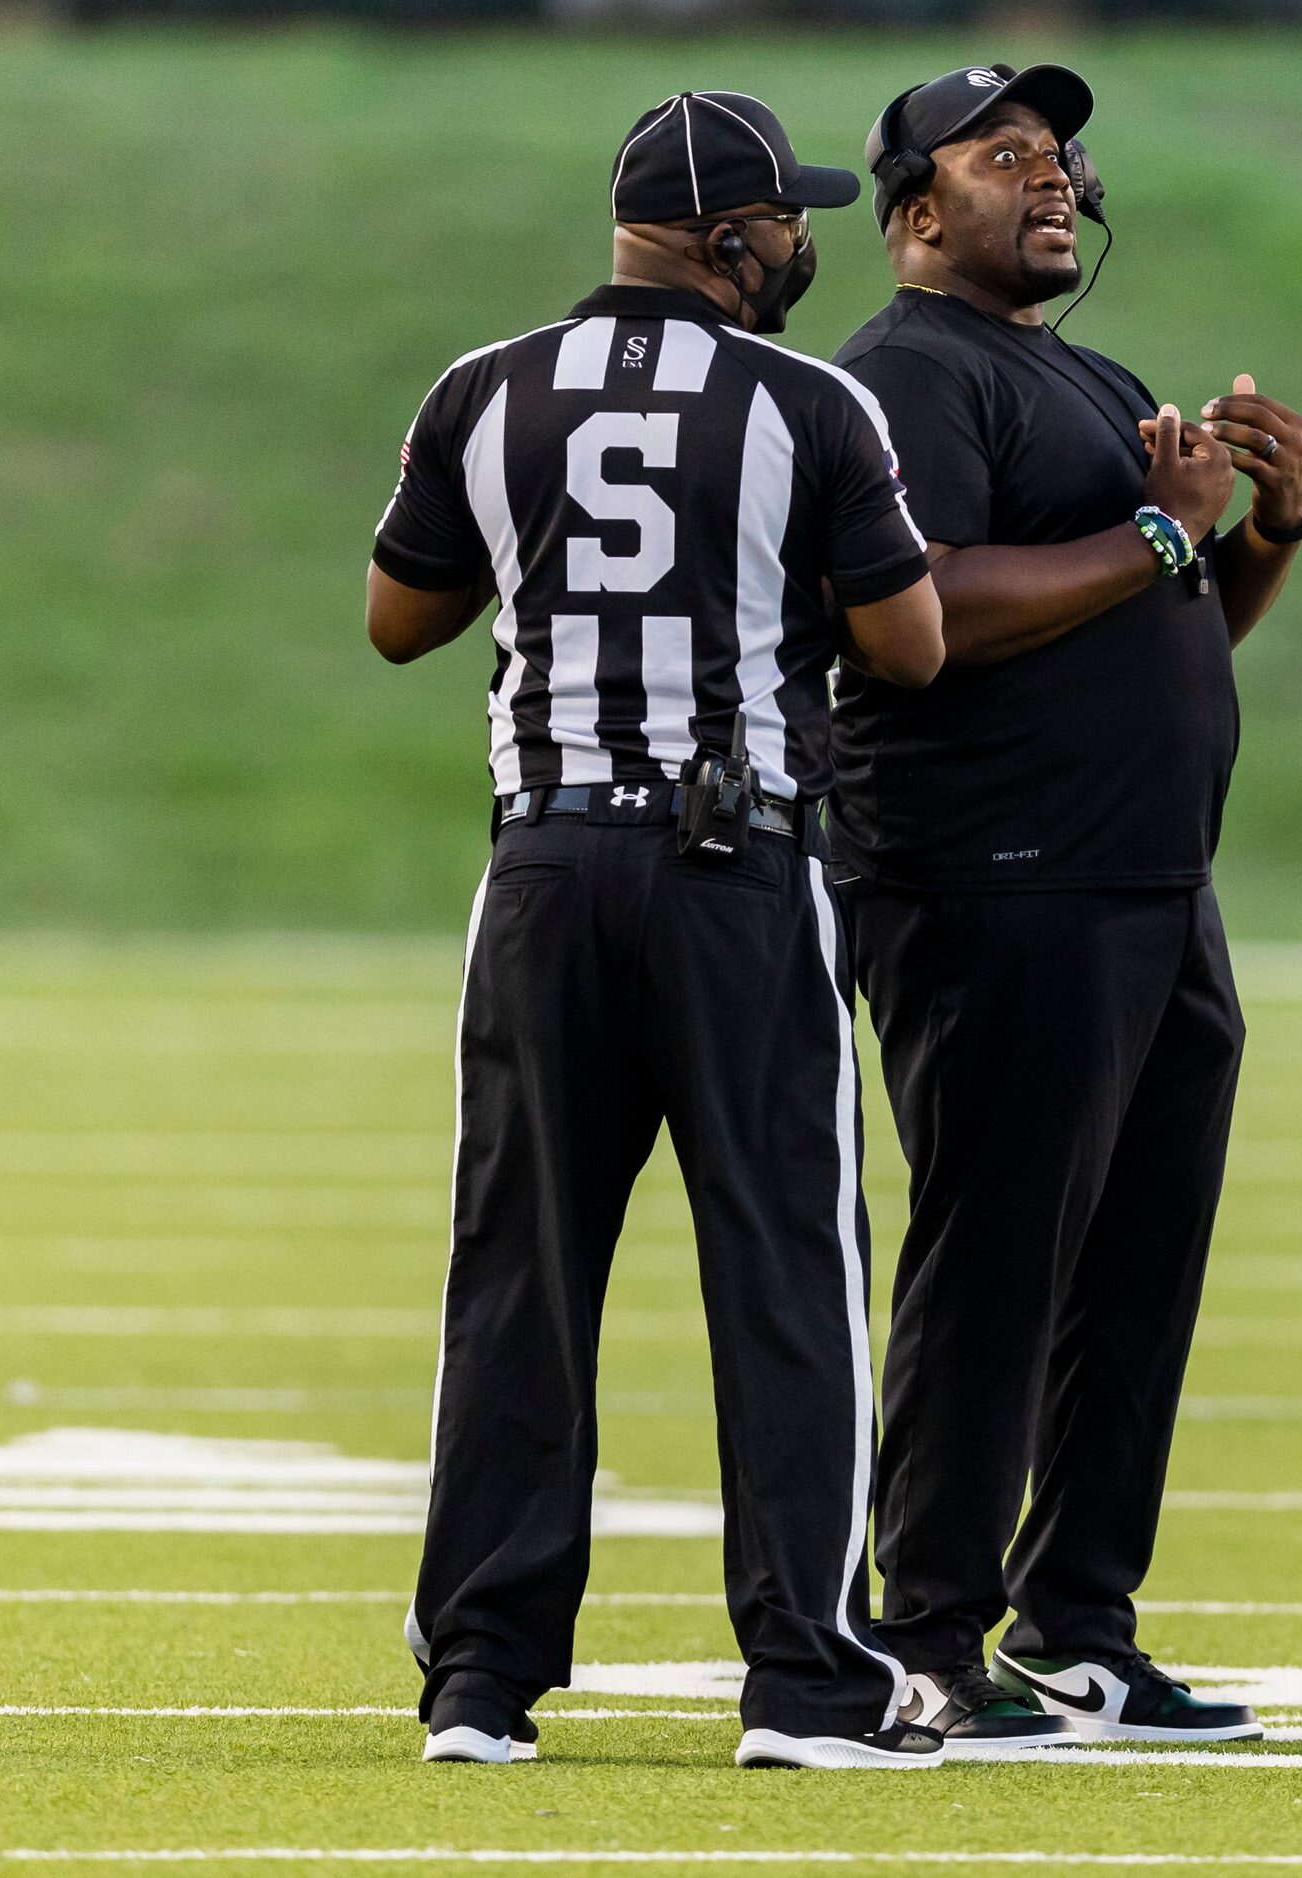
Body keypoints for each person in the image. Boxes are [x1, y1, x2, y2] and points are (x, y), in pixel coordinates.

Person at [366, 90, 951, 1772]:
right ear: (727, 236)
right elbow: (906, 646)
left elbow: (401, 617)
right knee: (784, 1271)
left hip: (544, 867)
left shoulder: (478, 391)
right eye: (785, 220)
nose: (799, 244)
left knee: (520, 1273)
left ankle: (479, 1675)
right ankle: (804, 1678)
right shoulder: (807, 400)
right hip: (733, 864)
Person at [827, 62, 1302, 1755]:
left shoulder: (1081, 375)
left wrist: (1264, 527)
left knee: (1134, 1264)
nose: (1050, 177)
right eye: (1001, 156)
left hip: (1147, 888)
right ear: (911, 212)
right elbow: (927, 604)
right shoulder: (897, 375)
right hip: (993, 880)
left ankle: (1078, 1621)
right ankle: (929, 1630)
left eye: (1058, 154)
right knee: (994, 1258)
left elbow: (1161, 622)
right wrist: (1164, 541)